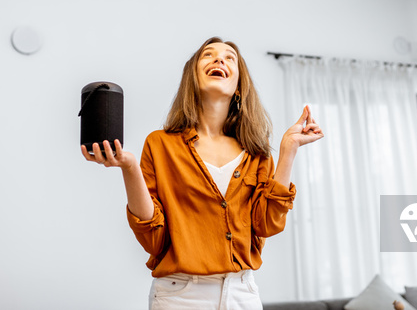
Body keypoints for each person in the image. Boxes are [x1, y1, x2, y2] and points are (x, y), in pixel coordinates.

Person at [81, 37, 323, 310]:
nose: (219, 59)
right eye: (208, 55)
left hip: (243, 293)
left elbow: (266, 224)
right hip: (180, 296)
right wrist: (129, 168)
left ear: (239, 87)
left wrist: (288, 149)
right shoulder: (160, 144)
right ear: (192, 79)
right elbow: (153, 239)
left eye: (229, 57)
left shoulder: (256, 152)